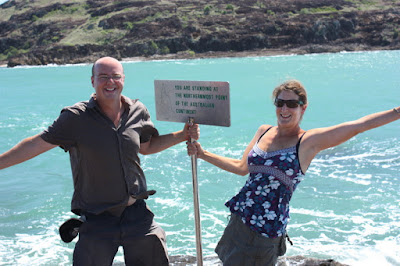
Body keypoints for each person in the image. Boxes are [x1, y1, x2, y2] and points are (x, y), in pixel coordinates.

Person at [0, 56, 199, 266]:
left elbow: (147, 147)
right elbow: (35, 144)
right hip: (97, 217)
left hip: (136, 213)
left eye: (115, 76)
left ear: (123, 79)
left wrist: (183, 135)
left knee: (155, 251)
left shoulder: (137, 111)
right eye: (103, 77)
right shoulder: (75, 118)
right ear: (92, 81)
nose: (110, 82)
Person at [187, 79, 400, 266]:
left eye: (291, 104)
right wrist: (203, 153)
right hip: (239, 221)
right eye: (280, 103)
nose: (284, 109)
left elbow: (357, 126)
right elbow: (241, 167)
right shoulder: (264, 131)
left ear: (303, 108)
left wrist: (397, 112)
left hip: (264, 233)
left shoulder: (307, 142)